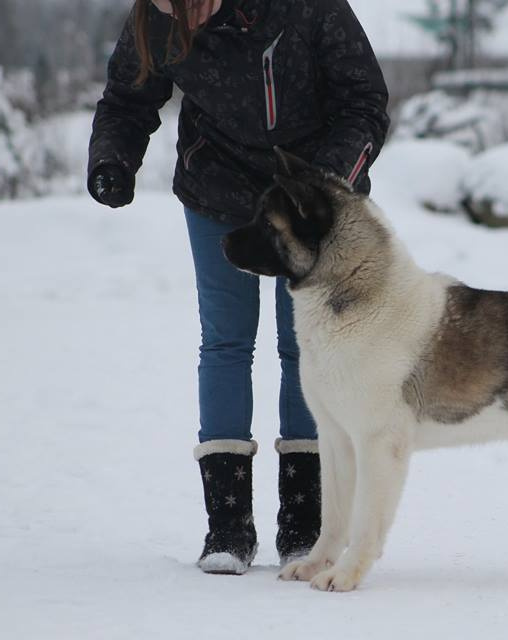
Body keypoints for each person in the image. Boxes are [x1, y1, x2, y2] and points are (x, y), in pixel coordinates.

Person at [87, 0, 391, 575]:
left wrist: (323, 185)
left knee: (307, 348)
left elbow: (364, 102)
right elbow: (127, 101)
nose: (184, 17)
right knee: (225, 344)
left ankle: (305, 521)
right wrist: (113, 160)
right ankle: (227, 525)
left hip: (310, 200)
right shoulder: (158, 17)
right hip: (217, 190)